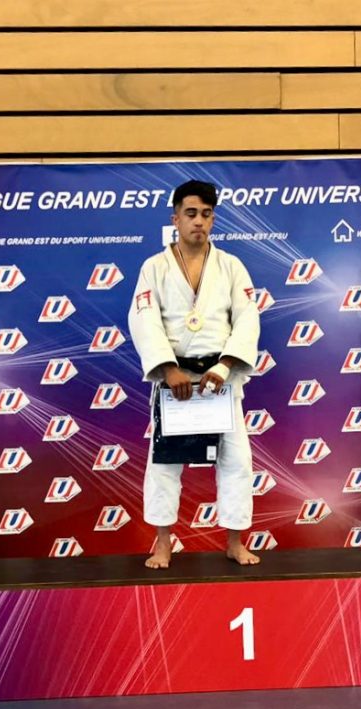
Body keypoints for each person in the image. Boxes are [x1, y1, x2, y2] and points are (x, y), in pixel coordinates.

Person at [128, 180, 261, 569]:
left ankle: (235, 542)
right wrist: (168, 368)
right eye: (190, 214)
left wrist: (225, 365)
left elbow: (247, 318)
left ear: (213, 219)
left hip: (222, 380)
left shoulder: (231, 266)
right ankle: (163, 543)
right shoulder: (154, 267)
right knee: (164, 464)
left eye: (206, 214)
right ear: (176, 219)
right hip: (175, 382)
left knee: (237, 461)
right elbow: (143, 319)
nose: (198, 221)